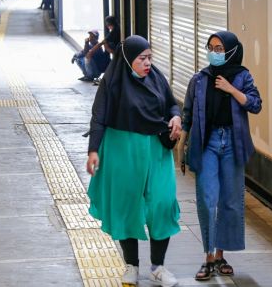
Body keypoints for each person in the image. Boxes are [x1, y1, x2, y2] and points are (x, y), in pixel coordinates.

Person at [86, 35, 182, 287]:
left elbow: (172, 105)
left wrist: (175, 118)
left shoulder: (157, 78)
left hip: (156, 150)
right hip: (122, 150)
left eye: (150, 57)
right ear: (129, 59)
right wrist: (93, 150)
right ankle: (131, 266)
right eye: (142, 58)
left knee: (162, 204)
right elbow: (98, 118)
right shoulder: (113, 82)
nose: (148, 63)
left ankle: (158, 267)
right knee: (126, 206)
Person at [177, 31, 262, 281]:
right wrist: (182, 146)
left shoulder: (242, 76)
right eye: (211, 47)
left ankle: (221, 255)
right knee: (206, 199)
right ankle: (208, 257)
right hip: (208, 143)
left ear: (232, 51)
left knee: (230, 200)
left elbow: (256, 104)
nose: (214, 53)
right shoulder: (200, 79)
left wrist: (230, 89)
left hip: (233, 144)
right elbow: (188, 114)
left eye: (219, 48)